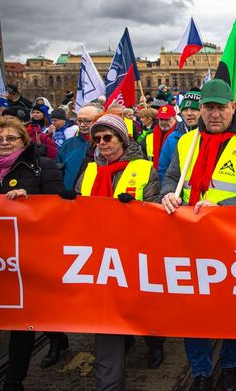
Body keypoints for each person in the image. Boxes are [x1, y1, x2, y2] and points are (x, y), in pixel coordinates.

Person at [160, 79, 236, 391]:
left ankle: (230, 366)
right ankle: (201, 371)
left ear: (232, 108)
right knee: (190, 311)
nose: (213, 114)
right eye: (207, 107)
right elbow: (169, 179)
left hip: (230, 246)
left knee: (231, 311)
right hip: (188, 243)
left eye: (220, 107)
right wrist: (168, 194)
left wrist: (220, 207)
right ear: (200, 109)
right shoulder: (185, 143)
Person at [73, 114, 161, 390]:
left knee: (141, 310)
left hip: (135, 256)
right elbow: (75, 206)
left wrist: (137, 208)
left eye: (107, 137)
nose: (101, 143)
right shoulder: (88, 171)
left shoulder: (144, 169)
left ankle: (154, 342)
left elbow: (157, 210)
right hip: (99, 258)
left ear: (122, 139)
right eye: (96, 139)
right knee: (106, 322)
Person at [0, 117, 68, 391]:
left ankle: (14, 380)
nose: (4, 143)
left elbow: (60, 205)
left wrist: (31, 202)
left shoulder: (41, 166)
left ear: (23, 141)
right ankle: (56, 336)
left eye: (11, 138)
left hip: (31, 256)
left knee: (21, 317)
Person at [158, 91, 201, 181]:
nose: (189, 113)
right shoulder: (172, 138)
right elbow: (163, 171)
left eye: (194, 109)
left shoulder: (211, 136)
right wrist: (169, 191)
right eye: (185, 110)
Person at [56, 105, 102, 189]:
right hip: (70, 197)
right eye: (79, 121)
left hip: (95, 196)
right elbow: (58, 170)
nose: (82, 125)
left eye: (87, 121)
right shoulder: (68, 143)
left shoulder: (105, 144)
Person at [143, 104, 177, 171]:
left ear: (174, 118)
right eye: (161, 119)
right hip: (153, 176)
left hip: (173, 178)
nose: (163, 122)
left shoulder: (181, 135)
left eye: (167, 119)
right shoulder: (149, 136)